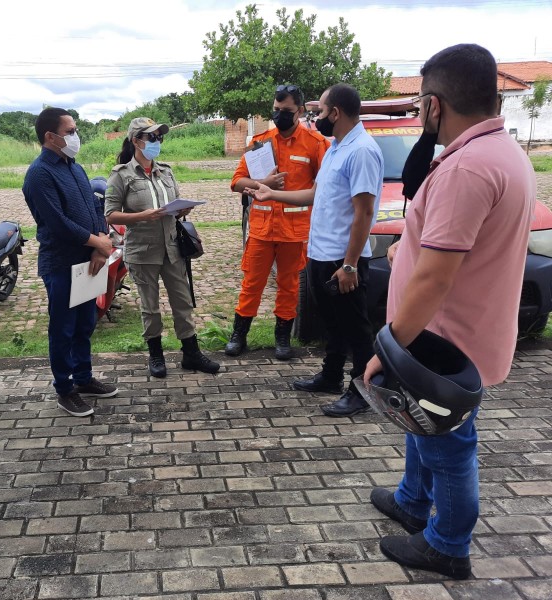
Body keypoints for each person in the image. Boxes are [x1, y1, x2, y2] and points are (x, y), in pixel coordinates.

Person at [362, 43, 535, 579]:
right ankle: (414, 501)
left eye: (418, 104)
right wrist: (406, 247)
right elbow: (455, 249)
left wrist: (390, 349)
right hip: (466, 327)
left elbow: (437, 277)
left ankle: (447, 544)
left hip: (444, 339)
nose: (417, 114)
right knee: (426, 429)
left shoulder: (468, 169)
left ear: (435, 105)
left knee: (451, 443)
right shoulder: (504, 154)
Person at [245, 83, 384, 417]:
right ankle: (331, 376)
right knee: (333, 324)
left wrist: (350, 265)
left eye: (320, 111)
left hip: (342, 258)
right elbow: (314, 195)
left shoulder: (362, 150)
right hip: (321, 253)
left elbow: (364, 212)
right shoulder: (337, 147)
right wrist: (270, 194)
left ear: (335, 113)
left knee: (356, 329)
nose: (315, 117)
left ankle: (362, 391)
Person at [104, 117, 220, 378]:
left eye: (160, 137)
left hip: (172, 248)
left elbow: (172, 208)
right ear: (136, 141)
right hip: (142, 251)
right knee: (150, 306)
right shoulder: (121, 175)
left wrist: (182, 210)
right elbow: (111, 215)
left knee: (182, 301)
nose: (157, 142)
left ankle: (191, 353)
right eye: (152, 137)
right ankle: (155, 355)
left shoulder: (166, 171)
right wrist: (145, 215)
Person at [22, 107, 118, 417]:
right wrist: (97, 242)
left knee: (85, 323)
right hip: (61, 264)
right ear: (50, 137)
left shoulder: (74, 167)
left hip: (89, 260)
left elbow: (94, 207)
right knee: (63, 329)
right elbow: (57, 223)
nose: (76, 136)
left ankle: (84, 377)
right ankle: (65, 389)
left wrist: (99, 247)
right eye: (70, 131)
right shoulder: (39, 174)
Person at [226, 84, 330, 360]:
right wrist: (263, 182)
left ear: (300, 111)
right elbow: (236, 182)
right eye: (276, 109)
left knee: (289, 285)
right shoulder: (260, 143)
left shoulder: (316, 144)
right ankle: (239, 335)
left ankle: (282, 337)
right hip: (261, 228)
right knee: (252, 283)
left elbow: (324, 188)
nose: (280, 114)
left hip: (294, 232)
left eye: (286, 110)